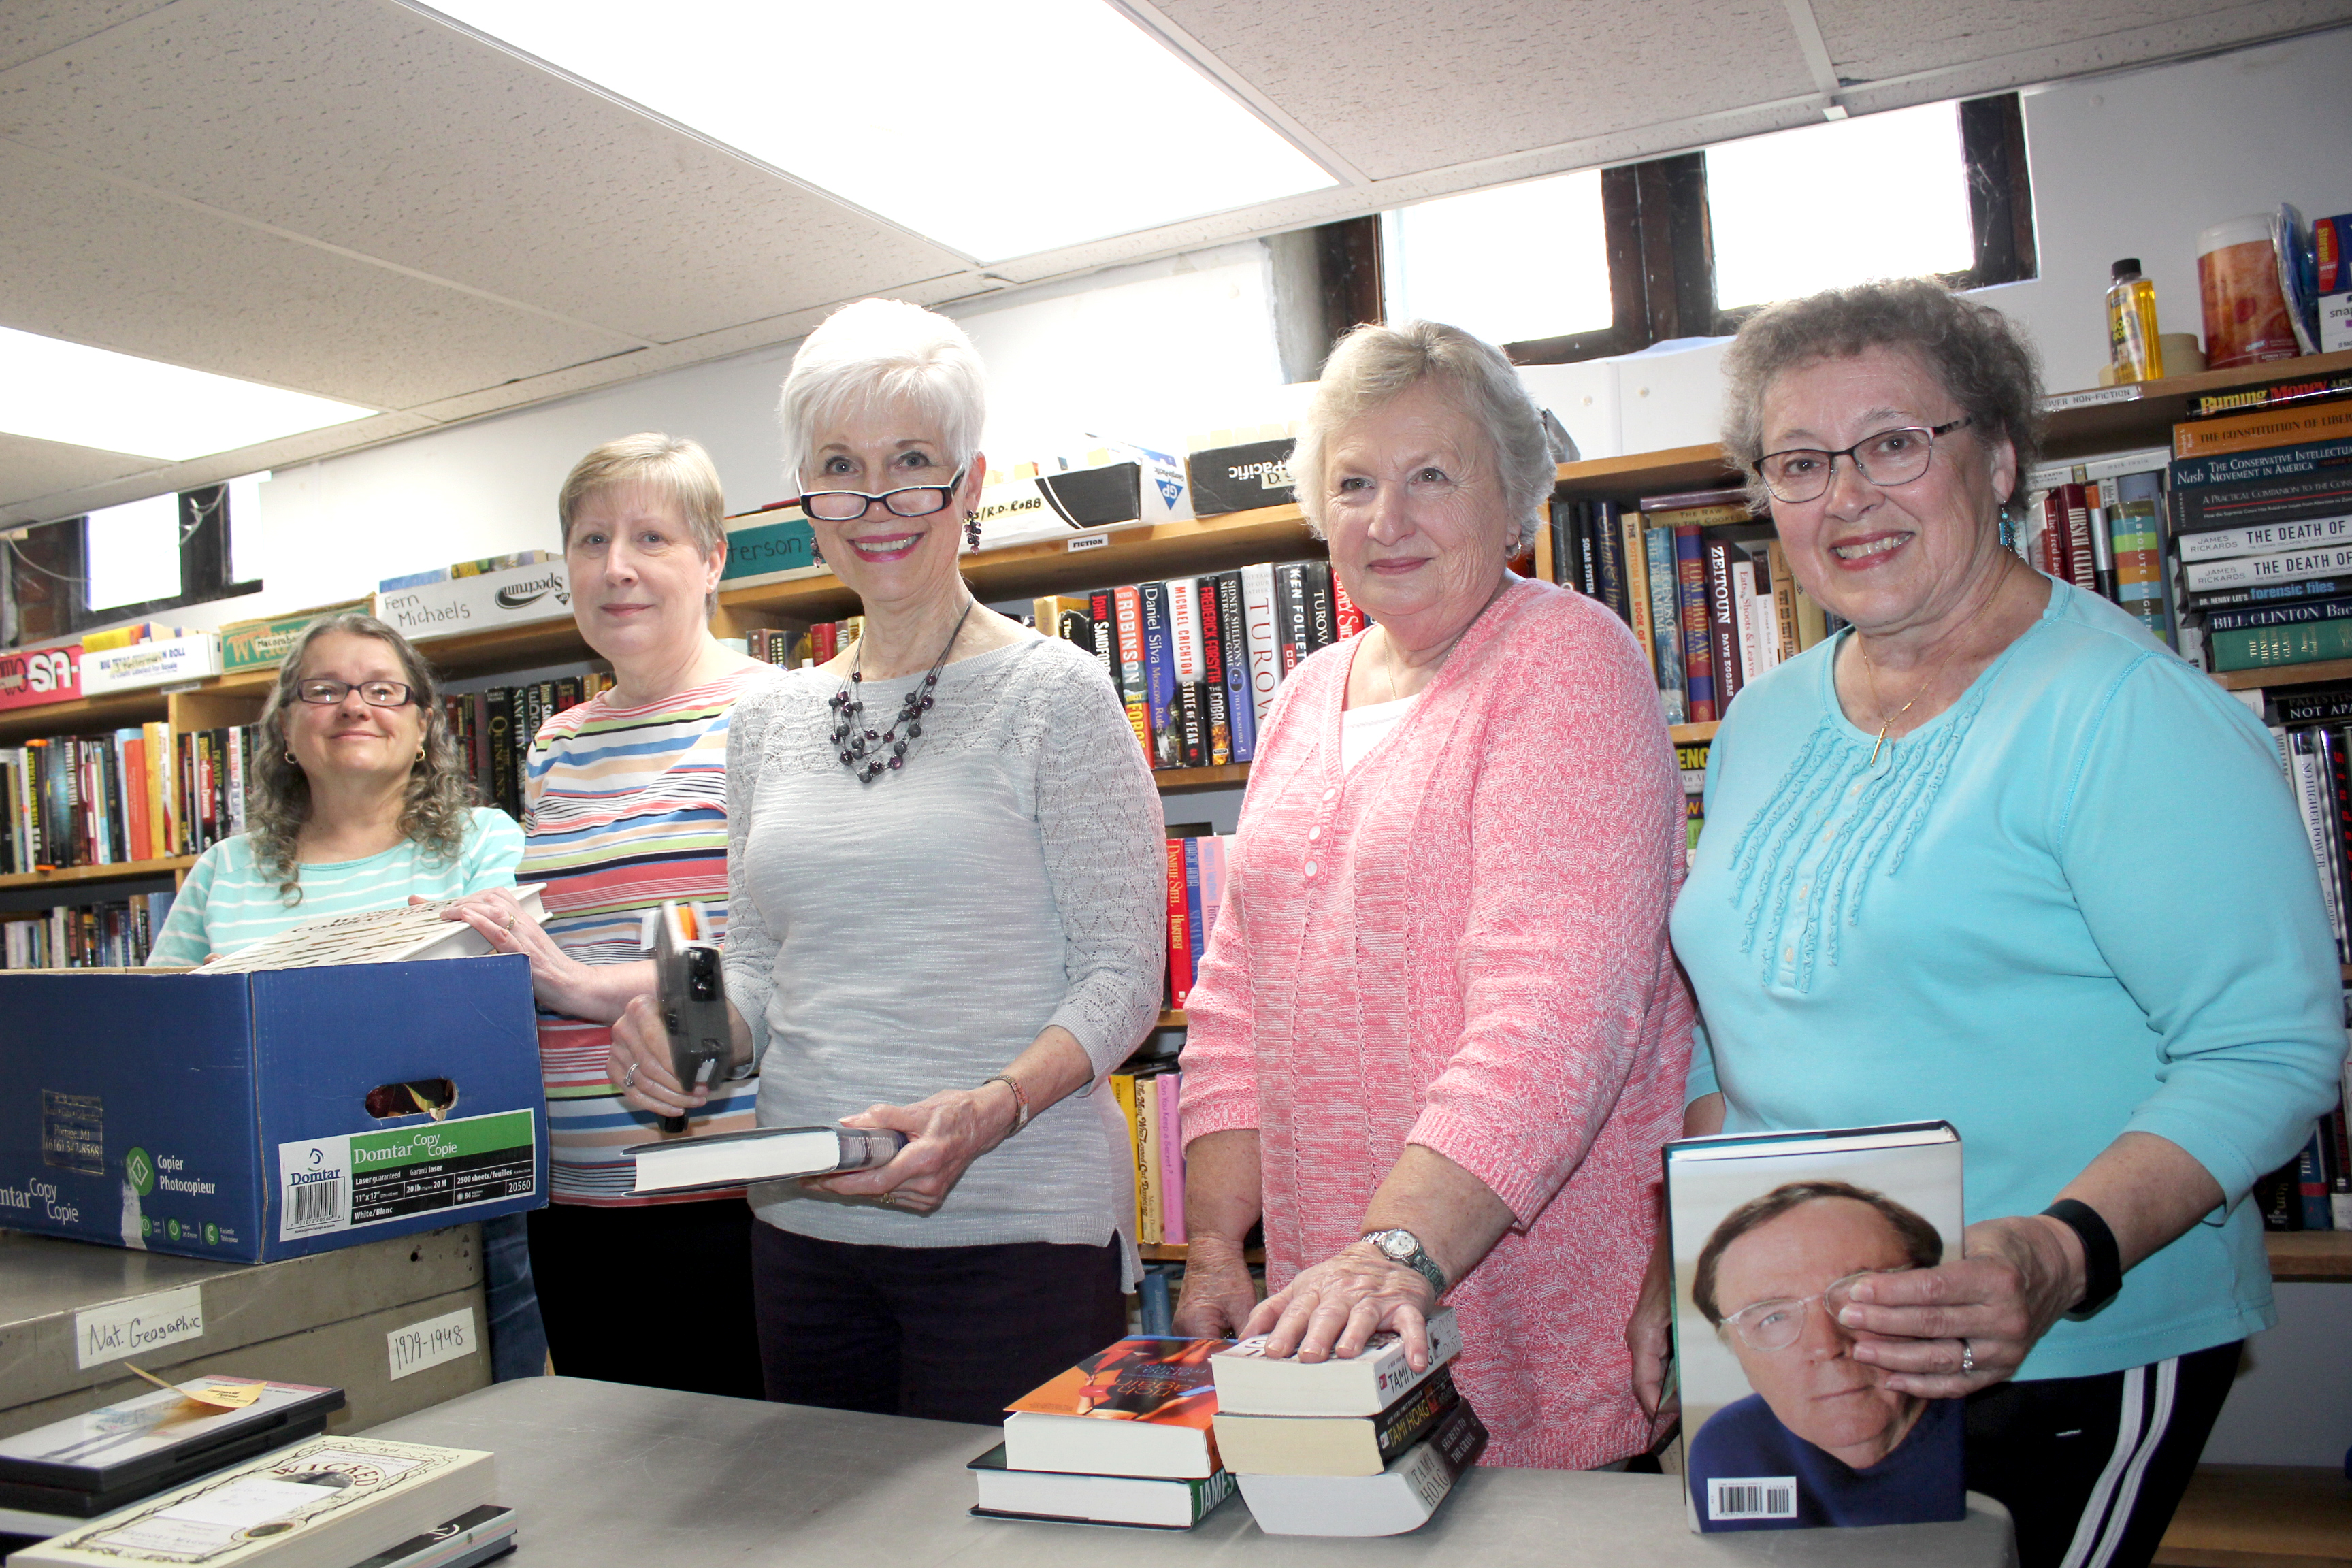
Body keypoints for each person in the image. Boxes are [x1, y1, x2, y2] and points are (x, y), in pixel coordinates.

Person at [1639, 278, 2344, 1568]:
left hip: (2067, 1335)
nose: (1846, 494)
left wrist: (2058, 1254)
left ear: (2004, 455)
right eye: (1800, 461)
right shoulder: (1762, 720)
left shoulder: (2127, 711)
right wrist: (1680, 1268)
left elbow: (2270, 1048)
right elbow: (1724, 1026)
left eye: (1894, 442)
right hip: (1812, 1335)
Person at [608, 299, 1164, 1424]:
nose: (877, 504)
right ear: (805, 500)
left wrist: (987, 1110)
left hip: (1013, 1229)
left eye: (913, 464)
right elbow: (759, 964)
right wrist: (689, 1036)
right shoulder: (767, 718)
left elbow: (1121, 977)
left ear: (968, 484)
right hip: (803, 1234)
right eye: (840, 469)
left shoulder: (1058, 693)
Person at [1170, 320, 1694, 1471]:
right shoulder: (1306, 696)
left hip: (1524, 1299)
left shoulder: (1567, 660)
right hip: (1343, 1316)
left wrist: (1395, 1246)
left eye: (1430, 477)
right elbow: (1235, 997)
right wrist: (1215, 1243)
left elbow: (1555, 1012)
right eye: (1353, 481)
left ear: (1514, 500)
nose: (1384, 518)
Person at [438, 432, 779, 1398]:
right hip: (574, 1192)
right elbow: (572, 933)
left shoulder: (780, 712)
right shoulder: (557, 743)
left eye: (651, 538)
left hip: (726, 1185)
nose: (616, 568)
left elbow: (792, 939)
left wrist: (587, 987)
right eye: (591, 541)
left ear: (712, 559)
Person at [148, 612, 521, 965]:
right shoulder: (220, 870)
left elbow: (499, 995)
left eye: (383, 690)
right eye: (325, 691)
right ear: (286, 728)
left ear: (422, 726)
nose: (354, 706)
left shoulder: (484, 840)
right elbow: (156, 1025)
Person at [1685, 1181, 1961, 1529]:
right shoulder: (1730, 1447)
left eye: (1860, 1295)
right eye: (1773, 1317)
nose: (1827, 1346)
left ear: (1931, 1290)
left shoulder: (1988, 1418)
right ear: (1738, 1353)